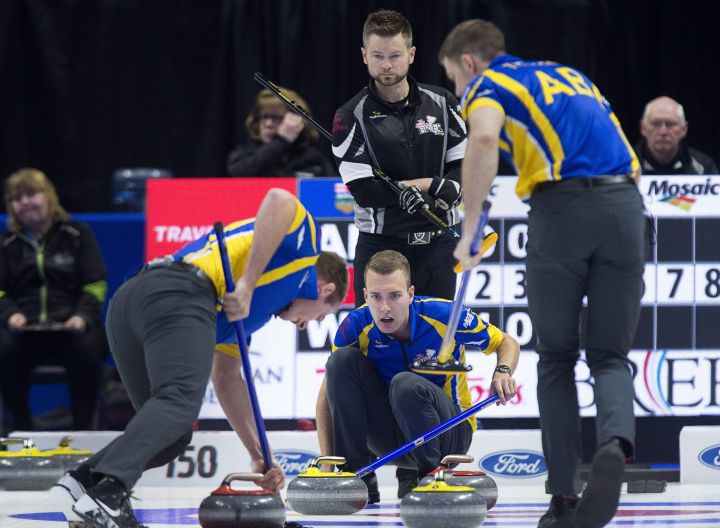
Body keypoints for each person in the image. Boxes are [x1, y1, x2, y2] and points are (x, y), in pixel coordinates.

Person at [439, 20, 646, 528]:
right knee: (610, 355)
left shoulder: (491, 86)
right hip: (626, 207)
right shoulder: (571, 75)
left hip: (563, 212)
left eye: (454, 82)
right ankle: (615, 443)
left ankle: (563, 498)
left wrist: (469, 233)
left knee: (555, 358)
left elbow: (484, 139)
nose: (458, 94)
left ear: (470, 63)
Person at [56, 188, 349, 528]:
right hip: (179, 290)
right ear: (327, 290)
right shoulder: (305, 250)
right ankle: (107, 495)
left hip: (130, 304)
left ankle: (83, 482)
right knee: (178, 402)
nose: (304, 325)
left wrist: (258, 456)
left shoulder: (253, 316)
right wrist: (247, 286)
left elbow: (226, 379)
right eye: (317, 317)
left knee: (170, 432)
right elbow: (278, 200)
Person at [316, 250, 519, 503]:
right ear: (365, 296)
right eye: (376, 297)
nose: (385, 308)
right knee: (340, 362)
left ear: (411, 294)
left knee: (405, 383)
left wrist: (503, 371)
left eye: (395, 296)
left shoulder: (446, 316)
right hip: (388, 437)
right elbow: (329, 393)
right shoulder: (355, 326)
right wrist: (326, 463)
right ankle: (355, 476)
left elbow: (507, 342)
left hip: (449, 433)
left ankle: (430, 477)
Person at [332, 9, 467, 307]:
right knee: (374, 348)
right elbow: (365, 191)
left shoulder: (444, 102)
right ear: (364, 55)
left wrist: (428, 190)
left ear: (411, 54)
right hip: (381, 248)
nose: (386, 65)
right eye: (378, 56)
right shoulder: (348, 116)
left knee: (438, 347)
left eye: (395, 55)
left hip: (439, 243)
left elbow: (461, 171)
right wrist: (426, 188)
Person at [0, 168, 108, 432]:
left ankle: (84, 432)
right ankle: (19, 433)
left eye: (31, 194)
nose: (25, 202)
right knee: (4, 350)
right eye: (17, 198)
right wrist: (10, 314)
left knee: (88, 350)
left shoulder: (77, 234)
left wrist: (81, 317)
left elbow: (95, 284)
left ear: (48, 196)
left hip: (70, 328)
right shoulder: (7, 243)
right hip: (24, 330)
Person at [227, 88, 337, 177]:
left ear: (296, 120)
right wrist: (281, 141)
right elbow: (238, 175)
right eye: (264, 117)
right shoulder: (245, 155)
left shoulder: (313, 159)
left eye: (276, 118)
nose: (268, 124)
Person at [635, 96, 718, 175]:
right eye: (656, 124)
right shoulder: (625, 165)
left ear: (684, 129)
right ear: (643, 128)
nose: (663, 132)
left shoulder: (703, 167)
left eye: (670, 124)